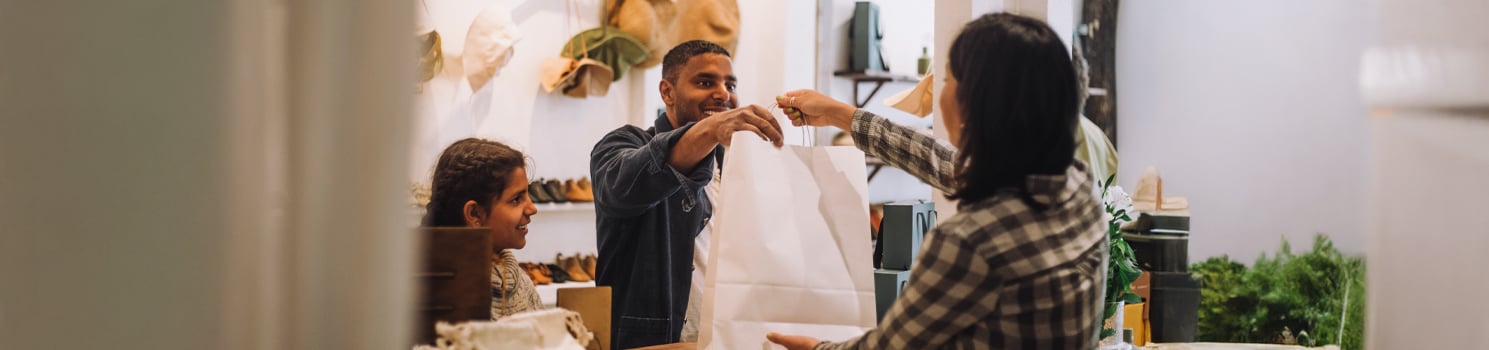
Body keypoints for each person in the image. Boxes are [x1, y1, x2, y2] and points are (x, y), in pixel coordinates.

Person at [768, 13, 1106, 349]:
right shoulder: (1080, 188)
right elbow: (940, 159)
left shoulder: (969, 243)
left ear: (976, 104)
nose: (939, 96)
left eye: (945, 81)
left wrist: (816, 348)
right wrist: (841, 114)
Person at [589, 40, 785, 348]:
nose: (723, 94)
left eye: (730, 84)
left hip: (727, 338)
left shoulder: (733, 163)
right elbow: (621, 186)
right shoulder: (621, 145)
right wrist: (710, 130)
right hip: (653, 342)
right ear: (667, 92)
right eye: (705, 82)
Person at [423, 138, 542, 319]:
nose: (532, 209)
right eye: (516, 199)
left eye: (528, 195)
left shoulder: (520, 283)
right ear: (474, 214)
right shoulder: (432, 295)